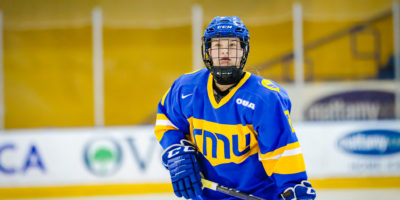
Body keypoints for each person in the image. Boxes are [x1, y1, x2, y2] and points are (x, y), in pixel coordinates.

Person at [154, 16, 316, 200]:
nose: (225, 52)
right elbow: (167, 121)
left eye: (232, 46)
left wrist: (292, 188)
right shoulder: (186, 87)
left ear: (243, 50)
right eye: (217, 46)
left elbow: (281, 153)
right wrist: (176, 150)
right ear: (208, 50)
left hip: (258, 194)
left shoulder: (265, 98)